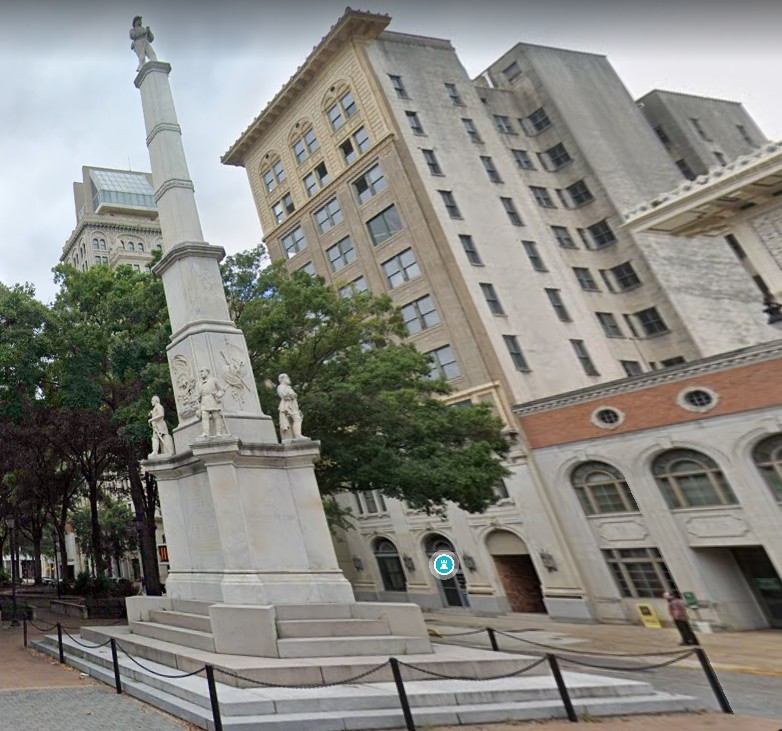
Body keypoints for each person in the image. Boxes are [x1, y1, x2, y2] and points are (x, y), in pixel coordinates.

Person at [197, 368, 228, 438]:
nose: (201, 373)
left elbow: (222, 390)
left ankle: (218, 432)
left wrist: (218, 395)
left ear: (207, 372)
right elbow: (198, 394)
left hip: (212, 399)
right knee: (204, 417)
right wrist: (198, 398)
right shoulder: (199, 383)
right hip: (204, 401)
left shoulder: (213, 380)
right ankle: (205, 433)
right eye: (200, 372)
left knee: (216, 416)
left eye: (202, 371)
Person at [277, 373, 306, 441]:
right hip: (287, 406)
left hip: (292, 406)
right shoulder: (281, 386)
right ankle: (297, 435)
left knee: (297, 419)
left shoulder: (288, 387)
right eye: (287, 378)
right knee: (296, 419)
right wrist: (292, 395)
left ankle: (296, 435)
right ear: (282, 379)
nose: (289, 379)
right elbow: (284, 395)